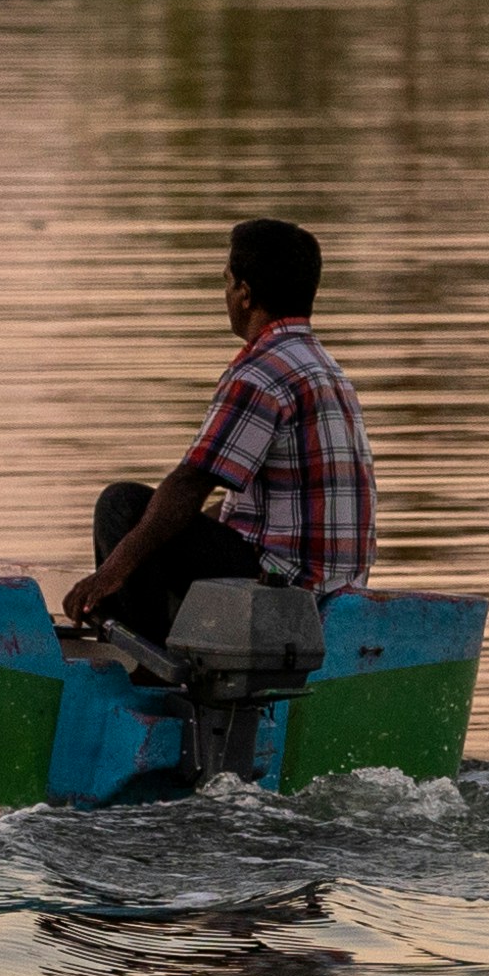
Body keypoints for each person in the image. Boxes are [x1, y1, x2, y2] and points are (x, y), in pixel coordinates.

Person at [59, 217, 372, 653]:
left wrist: (113, 570)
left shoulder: (262, 371)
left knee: (124, 506)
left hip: (287, 592)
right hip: (334, 589)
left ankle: (144, 661)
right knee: (170, 520)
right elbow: (241, 509)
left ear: (244, 293)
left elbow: (190, 481)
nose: (225, 294)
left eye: (227, 282)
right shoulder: (324, 368)